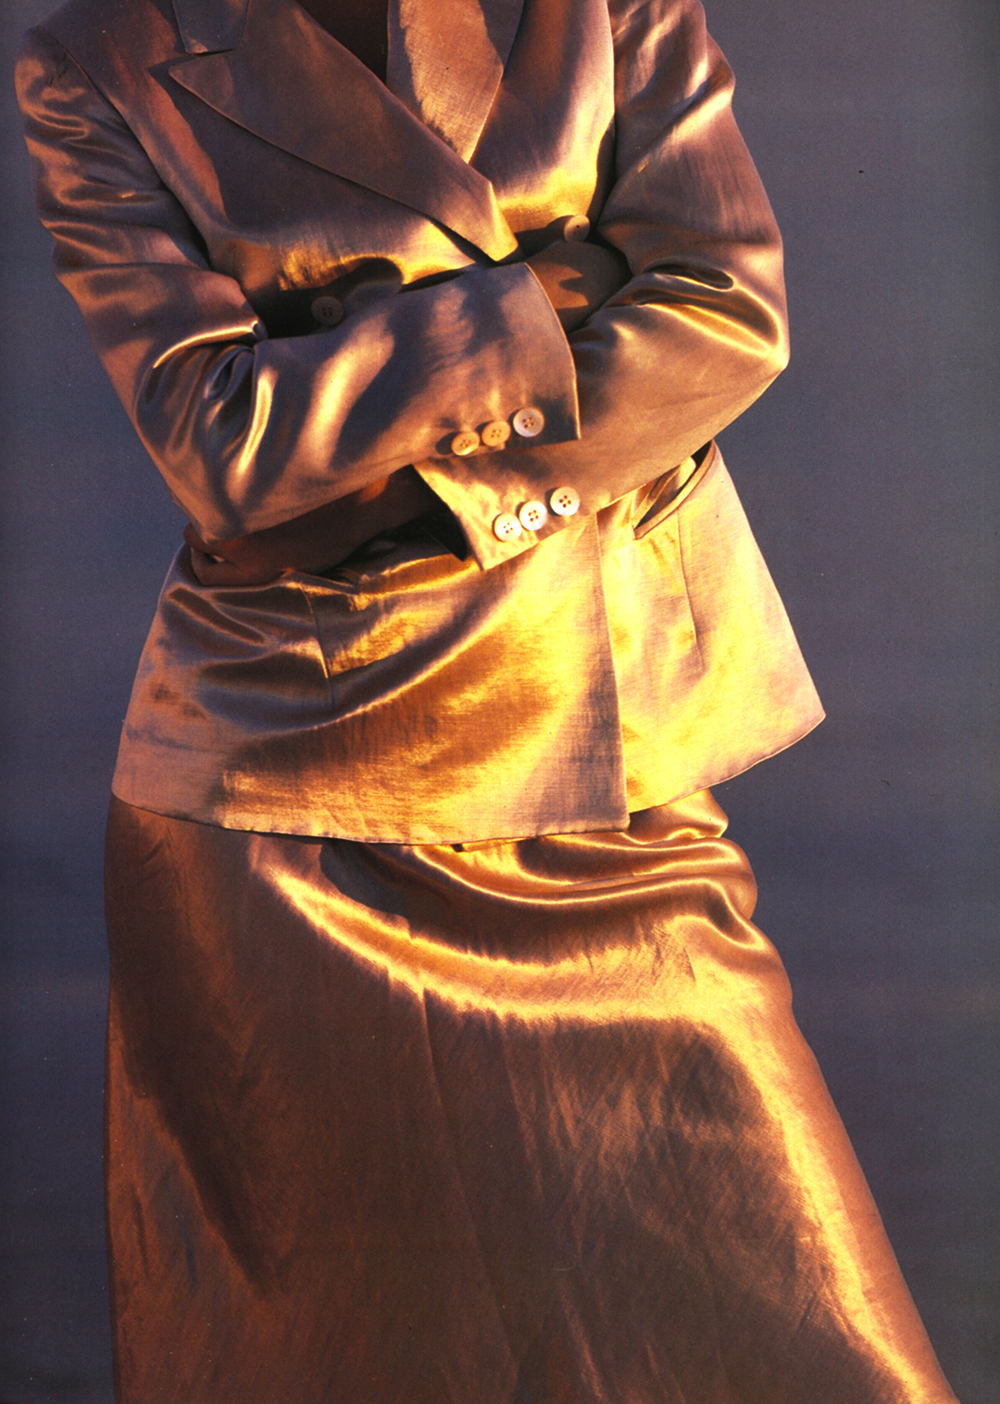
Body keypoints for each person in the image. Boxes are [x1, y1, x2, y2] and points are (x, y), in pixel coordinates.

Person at [17, 0, 959, 1399]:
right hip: (287, 810)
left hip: (601, 756)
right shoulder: (97, 55)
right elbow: (221, 443)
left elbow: (728, 306)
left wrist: (402, 468)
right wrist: (550, 295)